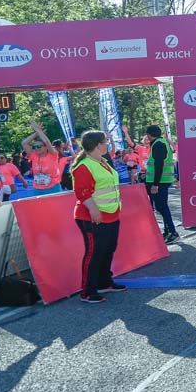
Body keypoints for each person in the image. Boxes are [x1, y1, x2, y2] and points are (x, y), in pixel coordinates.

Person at [71, 130, 127, 304]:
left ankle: (104, 282)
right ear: (97, 145)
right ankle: (88, 291)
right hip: (92, 216)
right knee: (94, 254)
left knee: (108, 249)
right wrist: (93, 209)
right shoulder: (84, 165)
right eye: (105, 142)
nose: (107, 145)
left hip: (111, 213)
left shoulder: (102, 161)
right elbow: (82, 191)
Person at [144, 125, 179, 243]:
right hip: (163, 181)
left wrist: (155, 184)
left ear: (149, 135)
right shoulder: (162, 142)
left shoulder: (158, 144)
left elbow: (159, 164)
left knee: (161, 207)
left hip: (160, 182)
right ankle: (168, 231)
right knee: (162, 207)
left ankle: (173, 232)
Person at [22, 121, 64, 196]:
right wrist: (37, 133)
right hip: (38, 189)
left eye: (39, 146)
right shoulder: (34, 155)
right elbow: (24, 143)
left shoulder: (52, 154)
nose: (36, 148)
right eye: (34, 147)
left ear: (45, 147)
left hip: (53, 188)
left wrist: (38, 129)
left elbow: (47, 142)